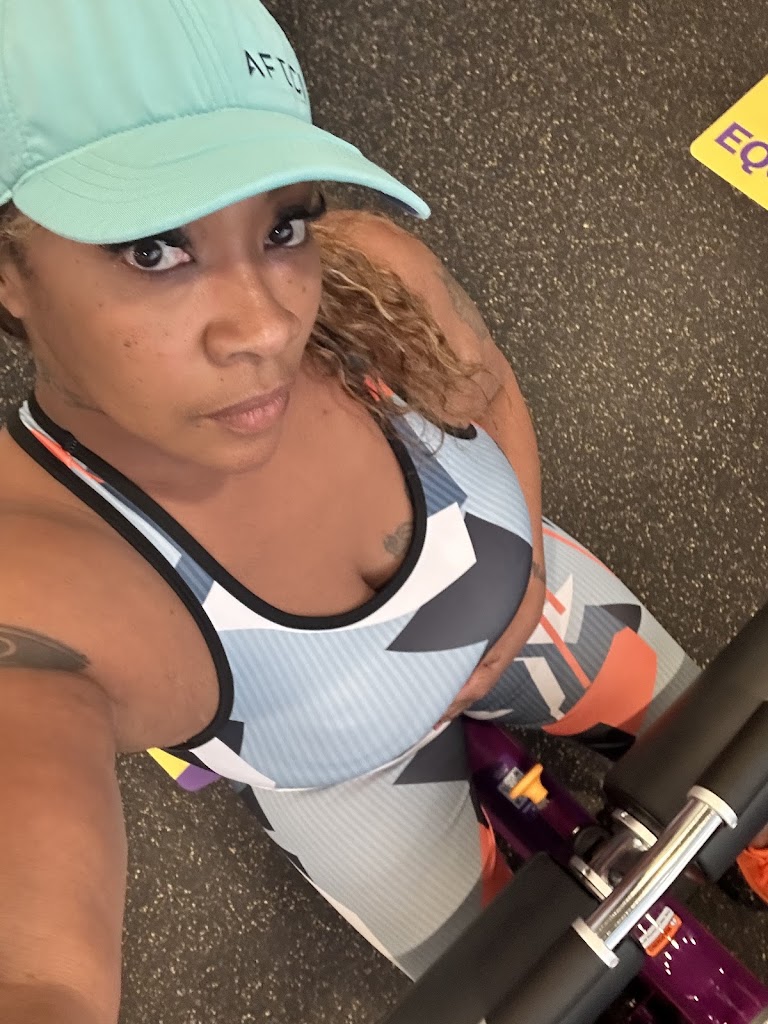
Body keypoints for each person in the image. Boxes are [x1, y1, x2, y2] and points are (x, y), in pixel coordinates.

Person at [0, 1, 765, 1021]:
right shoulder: (35, 576)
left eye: (280, 226)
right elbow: (40, 976)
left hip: (535, 606)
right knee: (533, 977)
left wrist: (530, 565)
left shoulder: (366, 269)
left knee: (743, 771)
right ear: (11, 274)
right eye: (153, 250)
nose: (269, 325)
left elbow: (485, 387)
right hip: (355, 784)